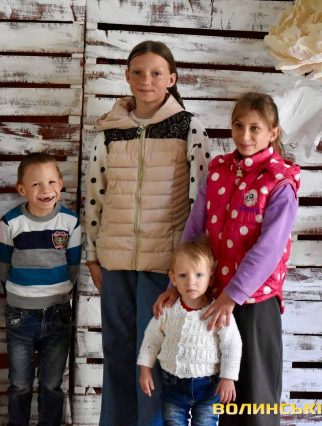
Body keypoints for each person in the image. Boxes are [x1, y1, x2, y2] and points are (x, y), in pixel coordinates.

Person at [154, 92, 301, 426]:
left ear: (273, 133)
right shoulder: (219, 171)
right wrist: (177, 284)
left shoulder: (279, 181)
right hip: (213, 300)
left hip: (254, 303)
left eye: (255, 128)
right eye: (238, 126)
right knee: (222, 396)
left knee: (256, 400)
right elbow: (194, 231)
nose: (244, 136)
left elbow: (269, 248)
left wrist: (232, 295)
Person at [84, 40, 210, 426]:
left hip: (165, 266)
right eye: (138, 72)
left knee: (154, 356)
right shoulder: (109, 132)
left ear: (171, 79)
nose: (146, 80)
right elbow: (94, 195)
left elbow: (201, 199)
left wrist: (190, 268)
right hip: (115, 261)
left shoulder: (188, 127)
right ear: (127, 76)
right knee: (118, 352)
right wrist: (92, 255)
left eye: (156, 73)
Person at [0, 152, 81, 426]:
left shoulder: (70, 222)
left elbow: (74, 265)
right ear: (21, 189)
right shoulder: (11, 222)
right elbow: (3, 265)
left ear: (61, 184)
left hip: (58, 313)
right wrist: (18, 293)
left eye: (52, 182)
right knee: (20, 384)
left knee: (52, 384)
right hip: (20, 315)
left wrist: (60, 291)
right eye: (36, 184)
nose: (46, 190)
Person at [138, 241, 242, 426]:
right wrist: (145, 369)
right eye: (183, 275)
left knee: (206, 423)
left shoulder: (218, 312)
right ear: (173, 278)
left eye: (199, 275)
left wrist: (228, 377)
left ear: (210, 277)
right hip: (172, 384)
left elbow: (232, 345)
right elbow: (151, 339)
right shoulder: (167, 310)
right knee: (172, 422)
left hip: (208, 386)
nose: (191, 281)